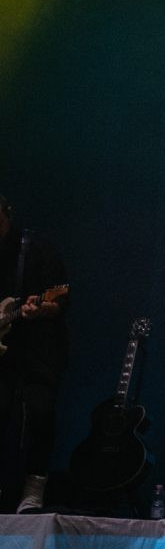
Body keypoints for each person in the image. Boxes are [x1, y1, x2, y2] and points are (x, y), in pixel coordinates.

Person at [0, 194, 68, 513]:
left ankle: (35, 484)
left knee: (40, 411)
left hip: (39, 350)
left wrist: (40, 309)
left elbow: (59, 300)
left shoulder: (37, 250)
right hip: (5, 354)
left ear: (7, 214)